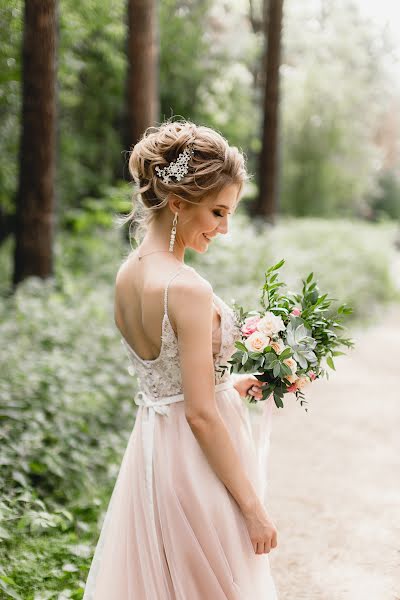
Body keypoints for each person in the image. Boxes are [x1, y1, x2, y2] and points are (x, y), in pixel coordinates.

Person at [82, 120, 279, 599]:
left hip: (151, 457)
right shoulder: (188, 288)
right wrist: (253, 509)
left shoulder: (128, 274)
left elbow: (166, 381)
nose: (224, 228)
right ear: (177, 202)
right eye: (217, 211)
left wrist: (227, 384)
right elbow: (199, 416)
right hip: (195, 466)